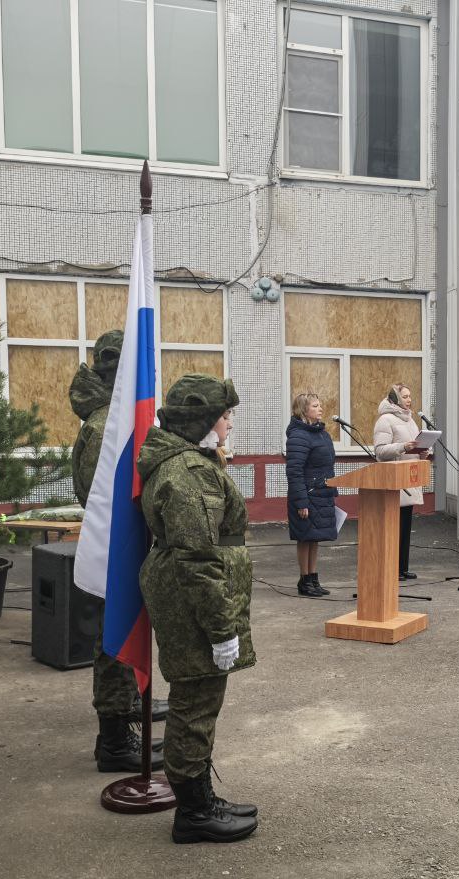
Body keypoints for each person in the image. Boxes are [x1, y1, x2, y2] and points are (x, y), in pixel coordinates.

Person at [138, 375, 257, 843]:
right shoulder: (188, 473)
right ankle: (192, 813)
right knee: (194, 701)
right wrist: (221, 628)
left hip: (192, 599)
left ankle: (200, 796)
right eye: (224, 416)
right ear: (203, 421)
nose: (229, 424)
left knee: (199, 698)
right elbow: (197, 559)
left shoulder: (191, 462)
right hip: (195, 605)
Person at [68, 330, 164, 773]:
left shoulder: (117, 415)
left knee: (125, 633)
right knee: (115, 639)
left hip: (125, 544)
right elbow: (100, 492)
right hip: (116, 546)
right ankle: (113, 742)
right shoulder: (108, 422)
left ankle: (128, 717)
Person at [373, 383, 431, 581]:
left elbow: (412, 447)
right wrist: (403, 447)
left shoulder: (410, 420)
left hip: (409, 479)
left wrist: (422, 452)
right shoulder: (385, 420)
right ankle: (392, 569)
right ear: (395, 399)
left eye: (410, 396)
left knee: (405, 527)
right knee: (392, 529)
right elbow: (380, 451)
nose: (409, 400)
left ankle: (402, 567)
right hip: (392, 483)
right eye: (405, 396)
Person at [286, 392, 337, 597]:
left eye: (319, 404)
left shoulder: (322, 433)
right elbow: (294, 470)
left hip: (322, 493)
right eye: (315, 406)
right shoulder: (298, 435)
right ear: (303, 410)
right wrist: (301, 502)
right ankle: (304, 580)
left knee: (315, 538)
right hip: (307, 495)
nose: (320, 408)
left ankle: (313, 578)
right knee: (304, 537)